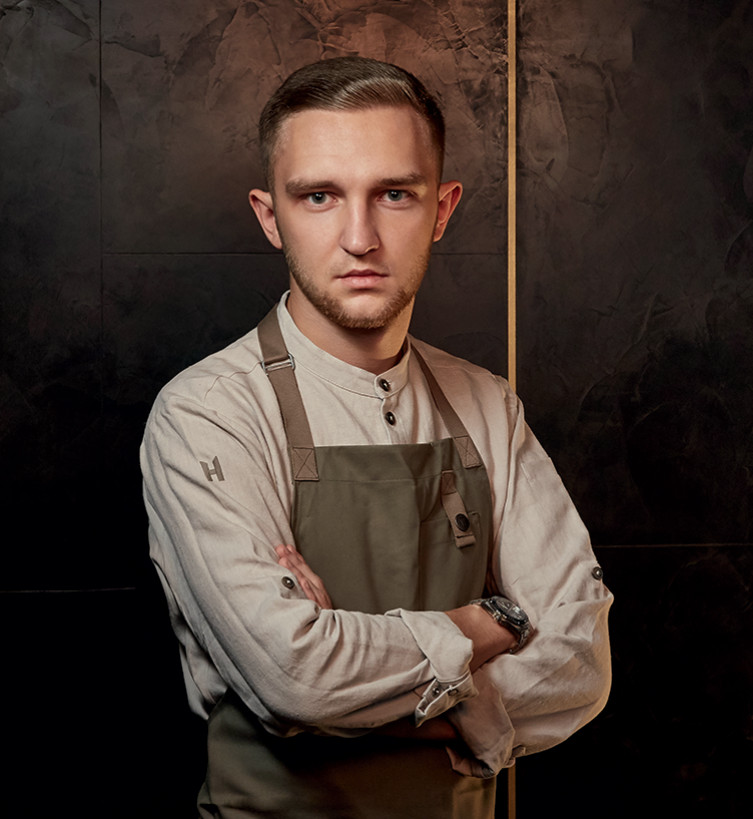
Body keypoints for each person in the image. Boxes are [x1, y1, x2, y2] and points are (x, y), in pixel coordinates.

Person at [140, 56, 613, 819]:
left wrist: (345, 678)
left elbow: (579, 667)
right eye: (318, 196)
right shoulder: (206, 412)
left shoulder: (489, 406)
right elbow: (292, 677)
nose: (359, 237)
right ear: (270, 215)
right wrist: (483, 624)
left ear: (441, 208)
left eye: (394, 194)